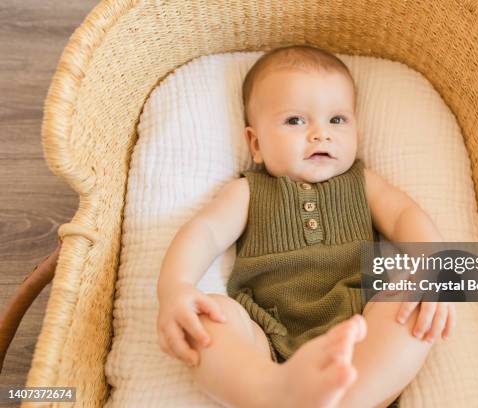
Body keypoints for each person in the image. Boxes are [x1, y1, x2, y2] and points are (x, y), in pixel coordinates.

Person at [156, 44, 455, 408]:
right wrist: (175, 288)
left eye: (337, 120)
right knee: (209, 317)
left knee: (408, 303)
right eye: (295, 120)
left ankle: (346, 397)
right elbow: (205, 231)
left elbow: (403, 215)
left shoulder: (362, 183)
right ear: (256, 144)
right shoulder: (248, 190)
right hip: (266, 335)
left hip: (359, 336)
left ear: (357, 131)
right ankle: (268, 391)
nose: (320, 134)